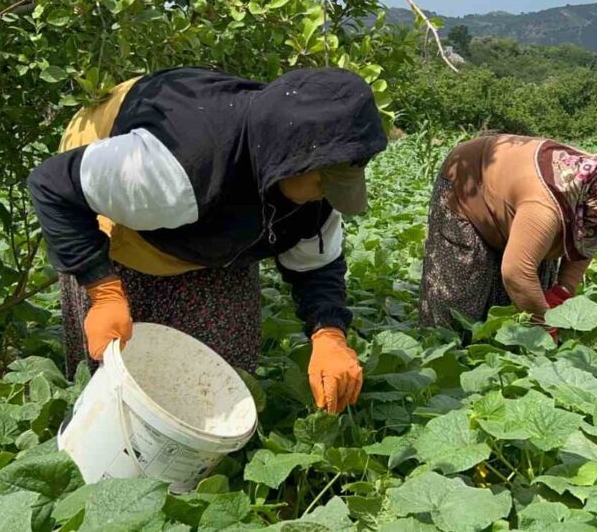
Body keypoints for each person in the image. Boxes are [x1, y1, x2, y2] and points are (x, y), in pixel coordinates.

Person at [27, 66, 387, 414]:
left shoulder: (311, 188)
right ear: (290, 159)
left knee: (225, 366)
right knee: (122, 365)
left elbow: (316, 265)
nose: (325, 196)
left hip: (213, 205)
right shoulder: (173, 166)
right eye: (323, 183)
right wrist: (102, 290)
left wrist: (329, 334)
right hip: (116, 185)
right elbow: (53, 186)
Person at [419, 134, 597, 329]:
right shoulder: (545, 207)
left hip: (516, 192)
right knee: (460, 293)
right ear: (587, 201)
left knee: (525, 294)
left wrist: (562, 293)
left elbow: (587, 240)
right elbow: (516, 273)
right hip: (467, 179)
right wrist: (545, 323)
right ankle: (448, 359)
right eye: (596, 220)